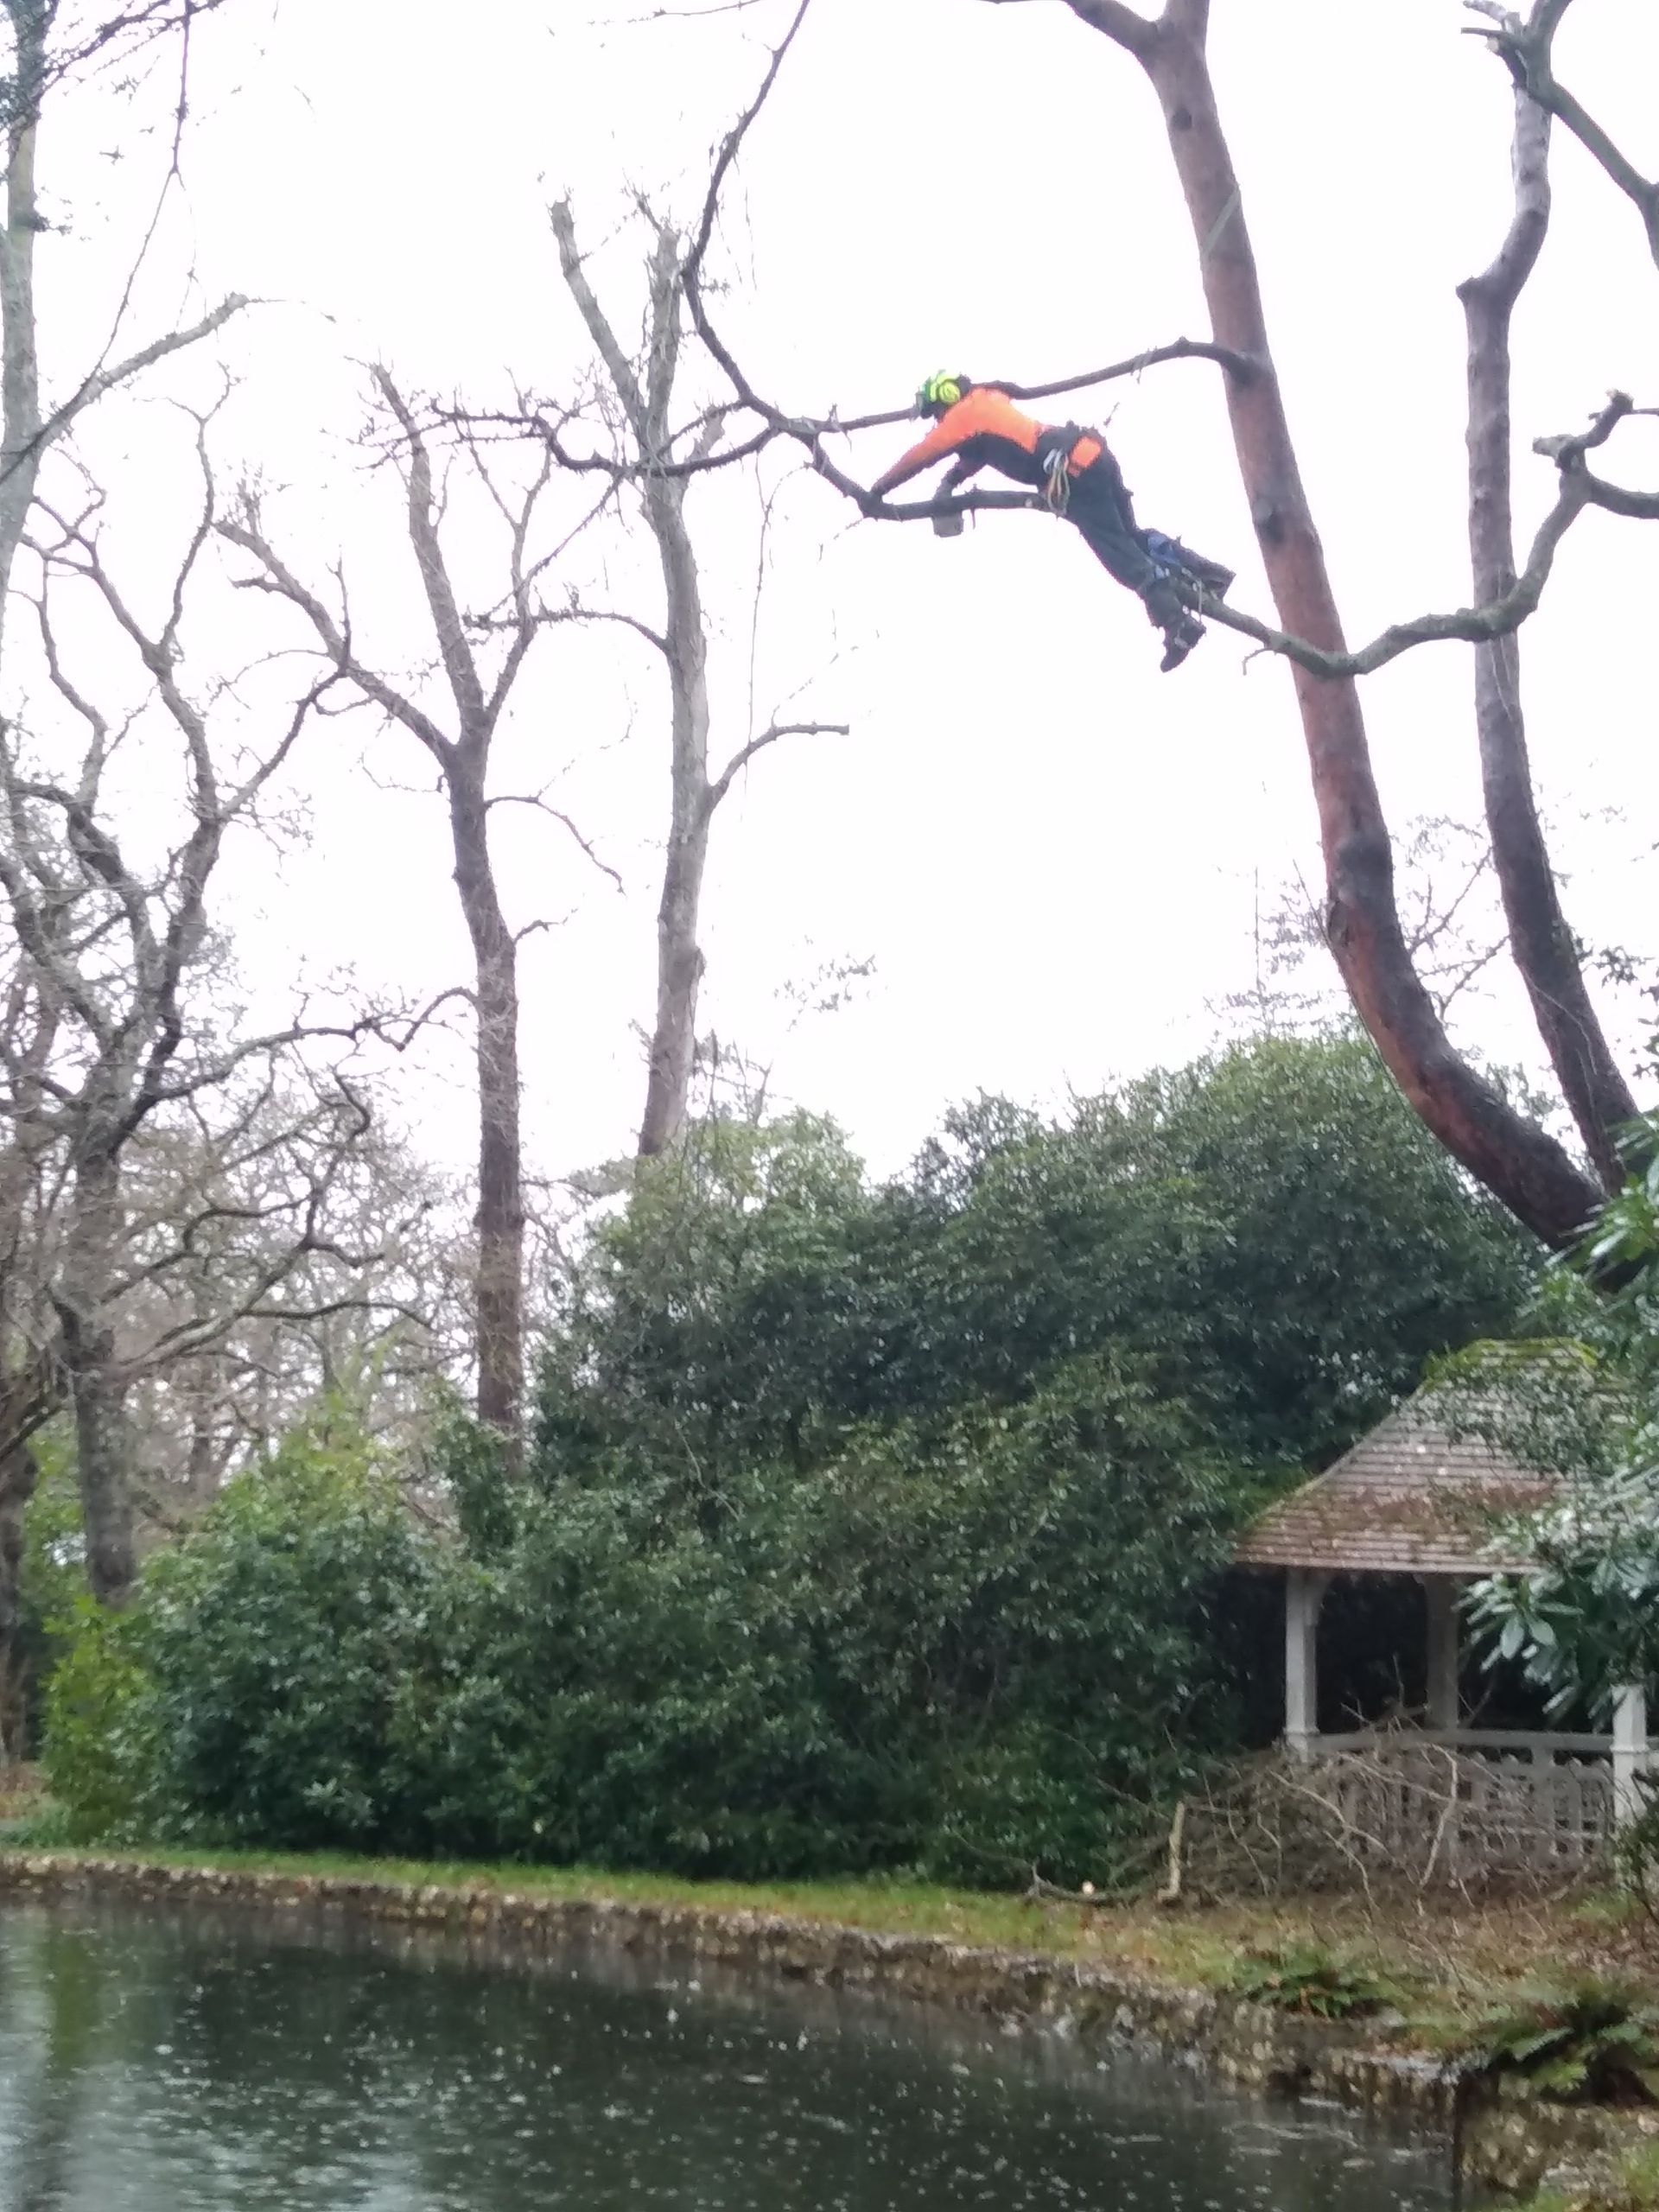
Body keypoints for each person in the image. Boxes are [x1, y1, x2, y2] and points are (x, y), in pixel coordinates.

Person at [868, 372, 1231, 673]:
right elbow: (982, 449)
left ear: (946, 398)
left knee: (1120, 555)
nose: (937, 421)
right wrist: (952, 480)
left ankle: (1177, 623)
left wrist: (877, 490)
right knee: (1130, 537)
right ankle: (1207, 575)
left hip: (1073, 472)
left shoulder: (962, 416)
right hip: (1091, 455)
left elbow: (922, 454)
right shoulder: (987, 400)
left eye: (935, 412)